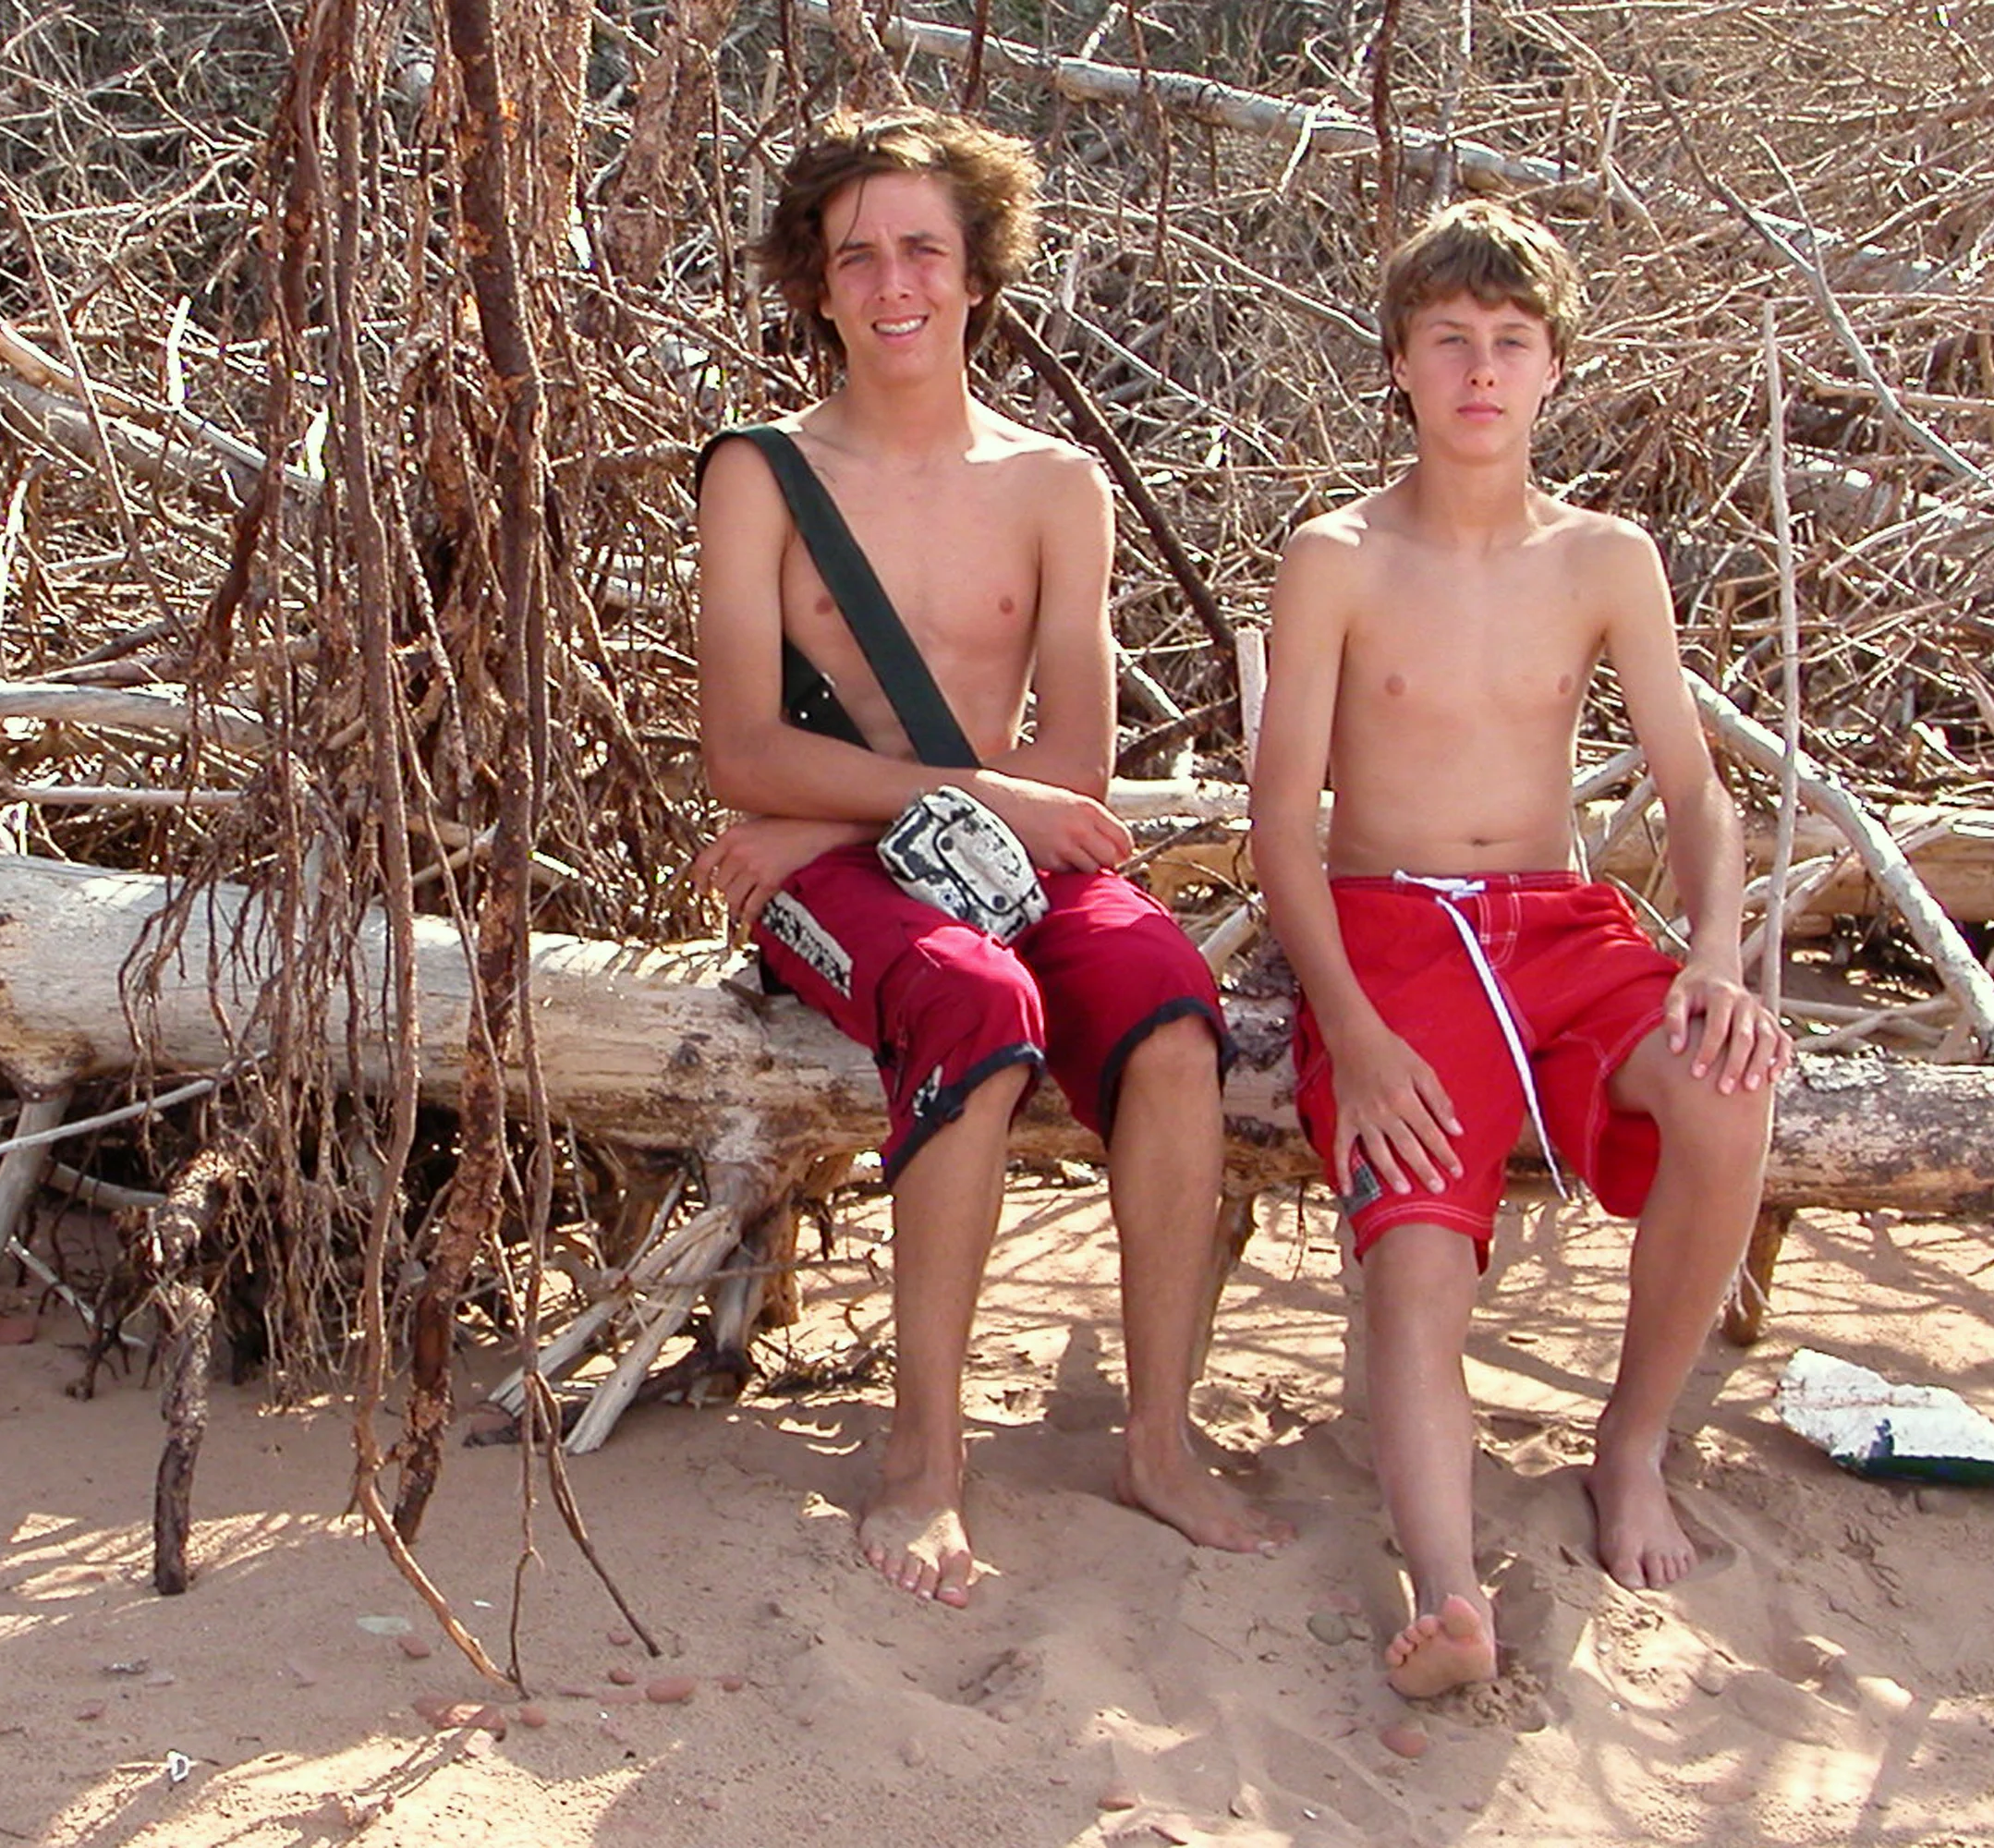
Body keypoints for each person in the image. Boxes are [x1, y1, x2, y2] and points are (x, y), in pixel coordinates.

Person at [687, 107, 1287, 1608]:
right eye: (858, 255)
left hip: (976, 841)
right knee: (977, 1002)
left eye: (924, 251)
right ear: (815, 286)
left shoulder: (1055, 486)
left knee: (1161, 1005)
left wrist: (851, 809)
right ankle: (925, 1459)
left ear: (975, 273)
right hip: (850, 896)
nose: (895, 283)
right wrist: (937, 799)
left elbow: (1074, 771)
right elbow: (740, 753)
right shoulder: (761, 474)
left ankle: (1159, 1438)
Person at [1248, 201, 1788, 1697]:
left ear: (1553, 370)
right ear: (1403, 368)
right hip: (1390, 932)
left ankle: (1631, 1446)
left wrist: (1717, 954)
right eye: (1449, 344)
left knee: (1726, 1093)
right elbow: (1282, 823)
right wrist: (1351, 1030)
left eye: (1510, 345)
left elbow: (1694, 790)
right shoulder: (1337, 555)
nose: (1480, 373)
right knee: (1419, 1252)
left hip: (1561, 924)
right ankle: (1448, 1587)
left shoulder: (1608, 557)